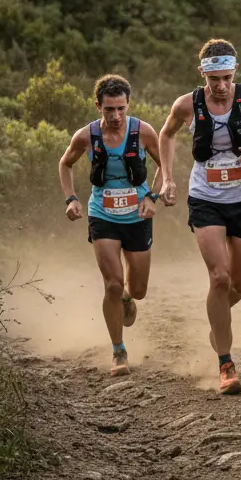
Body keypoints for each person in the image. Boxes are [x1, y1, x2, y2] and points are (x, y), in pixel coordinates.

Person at [158, 39, 241, 395]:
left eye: (227, 78)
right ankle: (226, 363)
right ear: (202, 74)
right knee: (219, 278)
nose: (221, 86)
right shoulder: (187, 104)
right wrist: (168, 178)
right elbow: (166, 134)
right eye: (214, 78)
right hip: (205, 199)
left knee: (238, 285)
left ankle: (218, 318)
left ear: (236, 73)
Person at [58, 73, 163, 377]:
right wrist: (71, 199)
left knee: (137, 289)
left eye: (121, 109)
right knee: (113, 284)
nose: (116, 116)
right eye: (109, 110)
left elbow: (164, 166)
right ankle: (118, 350)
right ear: (98, 107)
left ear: (128, 105)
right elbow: (65, 163)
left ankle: (129, 298)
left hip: (137, 214)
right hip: (102, 213)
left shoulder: (143, 132)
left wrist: (152, 197)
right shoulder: (85, 136)